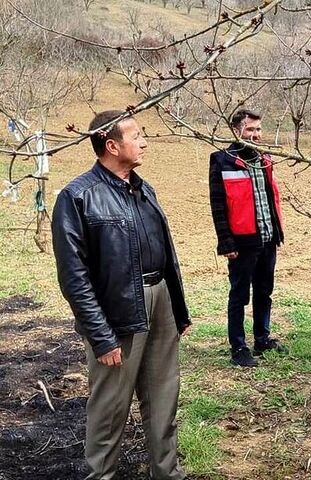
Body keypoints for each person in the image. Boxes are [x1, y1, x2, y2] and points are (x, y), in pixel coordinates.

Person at [52, 110, 191, 479]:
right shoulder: (77, 197)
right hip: (117, 312)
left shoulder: (145, 189)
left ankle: (167, 473)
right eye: (136, 135)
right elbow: (74, 277)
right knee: (110, 409)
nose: (144, 141)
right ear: (111, 146)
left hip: (159, 300)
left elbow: (166, 252)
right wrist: (101, 335)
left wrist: (177, 311)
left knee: (164, 399)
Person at [209, 109, 288, 368]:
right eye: (250, 129)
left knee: (264, 291)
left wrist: (277, 232)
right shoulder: (223, 161)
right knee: (240, 294)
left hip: (267, 238)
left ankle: (262, 338)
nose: (256, 134)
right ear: (236, 130)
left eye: (258, 129)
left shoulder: (264, 159)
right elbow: (218, 205)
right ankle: (239, 346)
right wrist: (226, 242)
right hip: (242, 243)